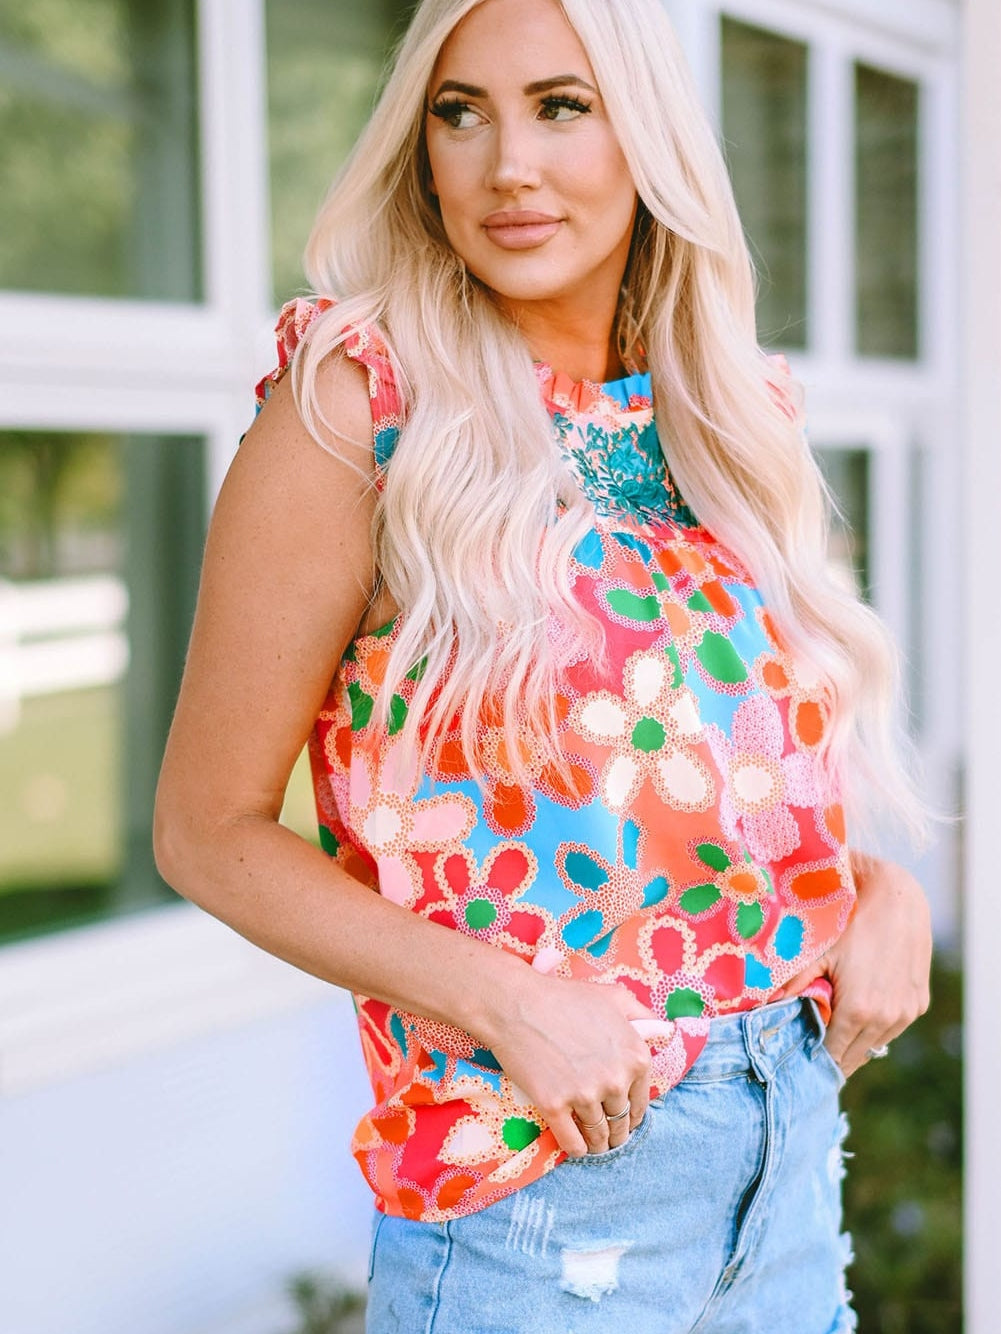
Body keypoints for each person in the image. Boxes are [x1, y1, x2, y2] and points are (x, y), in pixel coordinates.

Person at [154, 0, 932, 1328]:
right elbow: (204, 831)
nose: (505, 161)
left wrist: (877, 889)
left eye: (559, 106)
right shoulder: (360, 406)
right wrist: (504, 1001)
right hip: (540, 1199)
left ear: (648, 139)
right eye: (460, 114)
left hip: (786, 1159)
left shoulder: (734, 414)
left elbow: (718, 782)